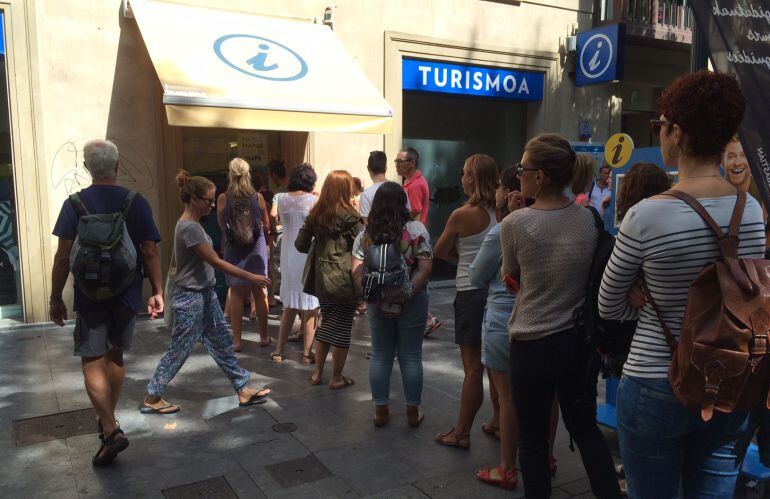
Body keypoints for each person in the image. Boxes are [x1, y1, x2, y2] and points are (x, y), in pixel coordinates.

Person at [599, 71, 765, 497]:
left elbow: (609, 305)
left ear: (676, 133)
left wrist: (645, 299)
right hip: (730, 378)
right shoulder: (752, 212)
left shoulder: (646, 216)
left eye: (660, 125)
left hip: (655, 378)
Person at [502, 133, 621, 498]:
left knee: (534, 440)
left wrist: (513, 214)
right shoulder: (588, 218)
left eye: (523, 169)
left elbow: (512, 275)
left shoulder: (515, 223)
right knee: (584, 428)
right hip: (577, 342)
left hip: (532, 342)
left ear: (539, 177)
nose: (519, 174)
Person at [49, 139, 163, 466]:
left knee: (91, 357)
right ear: (117, 167)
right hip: (127, 292)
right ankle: (108, 425)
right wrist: (157, 291)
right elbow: (150, 251)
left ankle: (110, 427)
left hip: (89, 295)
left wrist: (56, 298)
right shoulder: (135, 202)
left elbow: (62, 256)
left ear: (87, 168)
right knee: (115, 353)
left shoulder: (74, 204)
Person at [142, 172, 272, 414]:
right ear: (194, 199)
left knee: (222, 342)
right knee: (180, 348)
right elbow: (216, 261)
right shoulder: (189, 228)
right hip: (191, 298)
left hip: (204, 294)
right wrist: (251, 276)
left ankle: (242, 388)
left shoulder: (192, 225)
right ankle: (153, 395)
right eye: (209, 200)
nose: (213, 205)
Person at [351, 182, 433, 427]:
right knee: (410, 356)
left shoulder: (366, 235)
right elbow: (425, 268)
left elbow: (356, 272)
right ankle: (411, 411)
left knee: (380, 355)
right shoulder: (417, 230)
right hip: (413, 302)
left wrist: (370, 294)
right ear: (403, 203)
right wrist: (405, 293)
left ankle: (380, 411)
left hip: (377, 302)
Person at [434, 153, 498, 449]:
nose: (460, 177)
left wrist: (464, 260)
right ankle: (498, 421)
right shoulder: (503, 210)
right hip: (497, 293)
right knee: (497, 365)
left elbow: (440, 251)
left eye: (463, 172)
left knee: (473, 367)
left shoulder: (461, 214)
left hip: (470, 292)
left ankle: (461, 432)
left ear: (472, 178)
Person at [296, 170, 363, 389]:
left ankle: (317, 374)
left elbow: (300, 244)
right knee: (342, 327)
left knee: (328, 321)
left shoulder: (316, 214)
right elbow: (362, 247)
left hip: (322, 279)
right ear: (345, 189)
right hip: (345, 279)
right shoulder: (352, 217)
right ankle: (336, 378)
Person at [216, 158, 271, 352]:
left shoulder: (223, 198)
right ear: (248, 174)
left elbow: (222, 225)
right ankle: (264, 337)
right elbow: (266, 223)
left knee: (237, 293)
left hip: (233, 248)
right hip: (256, 247)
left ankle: (237, 340)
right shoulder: (258, 197)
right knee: (259, 291)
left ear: (230, 174)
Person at [270, 164, 320, 364]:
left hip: (289, 256)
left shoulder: (281, 199)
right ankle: (307, 354)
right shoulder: (314, 200)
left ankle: (279, 351)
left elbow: (274, 217)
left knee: (289, 306)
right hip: (308, 256)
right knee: (310, 307)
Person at [394, 147, 442, 337]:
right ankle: (429, 319)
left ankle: (427, 319)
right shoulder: (411, 181)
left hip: (413, 241)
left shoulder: (413, 186)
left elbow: (413, 214)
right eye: (396, 161)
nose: (396, 165)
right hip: (417, 239)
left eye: (400, 161)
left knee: (412, 282)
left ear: (411, 163)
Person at [359, 151, 410, 223]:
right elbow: (408, 215)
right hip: (399, 232)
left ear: (368, 168)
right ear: (385, 168)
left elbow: (366, 223)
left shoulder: (366, 195)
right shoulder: (400, 189)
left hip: (377, 233)